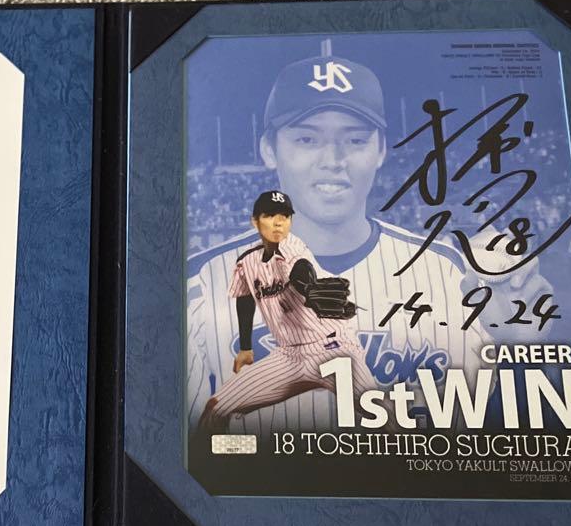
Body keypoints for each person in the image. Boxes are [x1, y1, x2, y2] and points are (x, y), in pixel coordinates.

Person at [187, 40, 548, 434]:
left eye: (356, 140)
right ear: (269, 150)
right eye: (307, 139)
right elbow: (185, 445)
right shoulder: (204, 280)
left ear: (380, 151)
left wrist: (516, 349)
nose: (333, 160)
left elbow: (469, 436)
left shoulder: (447, 272)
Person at [197, 190, 379, 434]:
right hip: (288, 357)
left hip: (333, 350)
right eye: (270, 215)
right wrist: (246, 348)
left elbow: (300, 268)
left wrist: (308, 286)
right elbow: (245, 298)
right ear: (255, 221)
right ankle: (225, 457)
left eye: (284, 216)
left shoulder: (293, 246)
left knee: (382, 414)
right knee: (216, 408)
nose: (278, 222)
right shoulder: (247, 262)